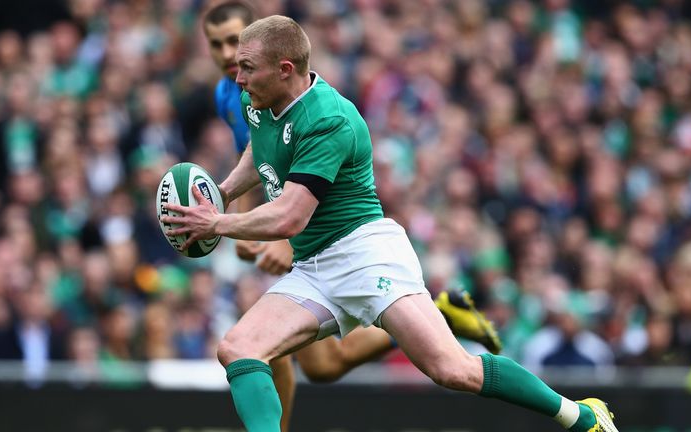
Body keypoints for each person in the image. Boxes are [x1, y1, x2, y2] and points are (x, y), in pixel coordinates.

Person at [165, 14, 618, 432]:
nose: (237, 77)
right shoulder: (256, 96)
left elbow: (289, 215)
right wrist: (223, 191)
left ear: (286, 69)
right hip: (314, 263)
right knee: (239, 348)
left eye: (248, 67)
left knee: (452, 369)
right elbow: (260, 151)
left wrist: (217, 222)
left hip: (367, 255)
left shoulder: (329, 119)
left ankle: (581, 416)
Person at [201, 3, 503, 431]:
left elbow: (299, 183)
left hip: (314, 225)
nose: (227, 53)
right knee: (323, 366)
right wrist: (225, 197)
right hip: (288, 217)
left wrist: (272, 235)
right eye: (217, 44)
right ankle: (438, 314)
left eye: (235, 41)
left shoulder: (295, 98)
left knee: (263, 348)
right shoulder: (232, 92)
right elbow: (264, 157)